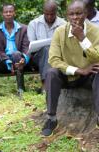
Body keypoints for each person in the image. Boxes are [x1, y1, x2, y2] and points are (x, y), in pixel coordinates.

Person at [41, 0, 99, 137]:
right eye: (71, 14)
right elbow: (53, 60)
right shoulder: (60, 32)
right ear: (67, 15)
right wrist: (78, 70)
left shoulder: (95, 31)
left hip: (88, 77)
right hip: (68, 76)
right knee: (51, 73)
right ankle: (51, 118)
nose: (75, 17)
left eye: (78, 13)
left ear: (85, 14)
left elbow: (97, 57)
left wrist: (82, 39)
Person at [0, 3, 29, 99]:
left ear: (14, 13)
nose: (8, 14)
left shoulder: (23, 28)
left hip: (18, 60)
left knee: (16, 54)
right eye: (6, 12)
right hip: (3, 61)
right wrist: (7, 60)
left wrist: (24, 58)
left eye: (10, 12)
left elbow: (26, 47)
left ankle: (20, 88)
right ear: (2, 14)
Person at [27, 0, 66, 93]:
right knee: (46, 49)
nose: (49, 17)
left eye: (52, 14)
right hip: (38, 58)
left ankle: (55, 84)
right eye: (46, 14)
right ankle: (46, 85)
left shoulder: (63, 24)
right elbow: (31, 46)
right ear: (43, 12)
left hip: (58, 56)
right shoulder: (34, 24)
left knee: (50, 50)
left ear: (56, 12)